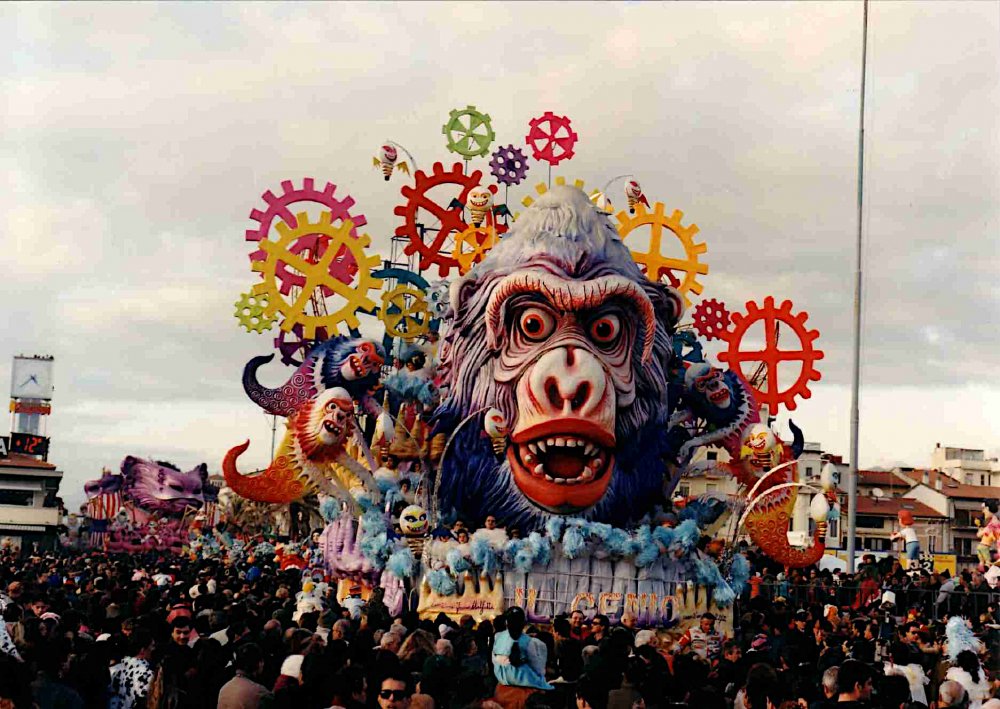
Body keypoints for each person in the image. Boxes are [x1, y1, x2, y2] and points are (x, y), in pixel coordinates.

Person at [492, 607, 552, 707]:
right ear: (523, 624)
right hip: (525, 694)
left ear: (506, 623)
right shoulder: (530, 643)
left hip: (502, 691)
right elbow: (538, 669)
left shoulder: (498, 637)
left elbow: (496, 663)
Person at [108, 627, 156, 709]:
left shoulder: (116, 668)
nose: (154, 649)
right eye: (152, 646)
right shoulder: (147, 674)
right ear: (142, 650)